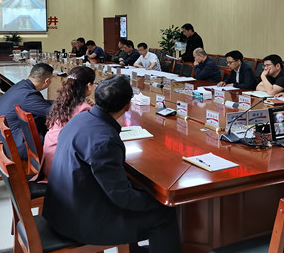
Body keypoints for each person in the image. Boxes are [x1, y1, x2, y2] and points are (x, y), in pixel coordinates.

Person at [43, 76, 182, 252]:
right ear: (128, 106)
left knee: (138, 192)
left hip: (61, 209)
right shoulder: (105, 141)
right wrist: (161, 201)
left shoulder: (80, 118)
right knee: (164, 213)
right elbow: (123, 198)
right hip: (80, 223)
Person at [35, 66, 95, 182]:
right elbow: (89, 141)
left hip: (51, 160)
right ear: (88, 86)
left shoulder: (62, 101)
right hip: (63, 170)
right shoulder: (83, 108)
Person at [0, 63, 54, 158]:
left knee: (40, 121)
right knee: (53, 135)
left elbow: (41, 103)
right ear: (47, 81)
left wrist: (61, 102)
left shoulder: (22, 86)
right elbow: (54, 113)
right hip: (6, 145)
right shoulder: (29, 96)